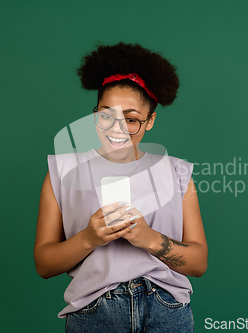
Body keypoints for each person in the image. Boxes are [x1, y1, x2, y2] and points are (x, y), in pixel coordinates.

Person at [34, 42, 207, 333]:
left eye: (131, 119)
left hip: (167, 312)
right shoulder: (62, 171)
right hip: (95, 313)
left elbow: (198, 263)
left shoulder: (177, 173)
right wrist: (89, 238)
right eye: (106, 115)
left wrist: (148, 238)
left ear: (150, 120)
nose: (116, 128)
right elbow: (44, 264)